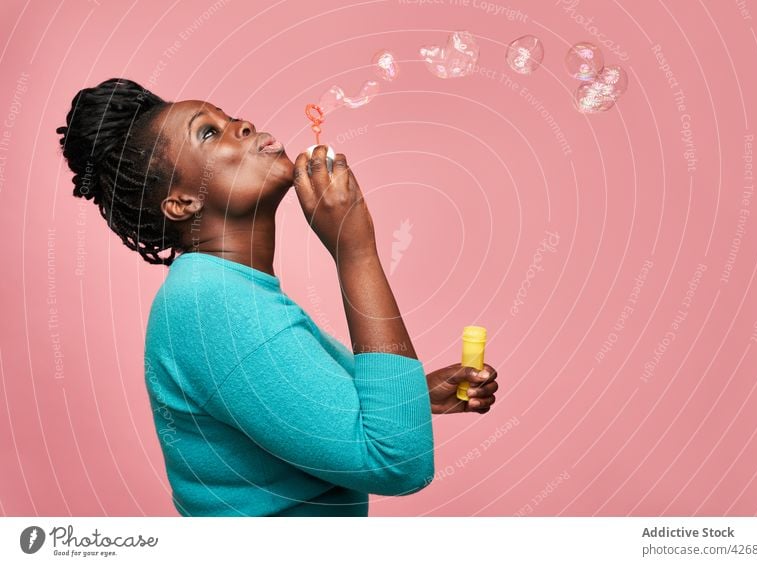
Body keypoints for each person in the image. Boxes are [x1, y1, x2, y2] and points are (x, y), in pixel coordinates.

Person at [56, 78, 499, 516]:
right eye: (208, 132)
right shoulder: (214, 304)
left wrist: (410, 397)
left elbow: (321, 417)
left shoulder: (226, 292)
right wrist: (355, 249)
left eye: (229, 117)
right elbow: (398, 463)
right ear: (182, 202)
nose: (243, 124)